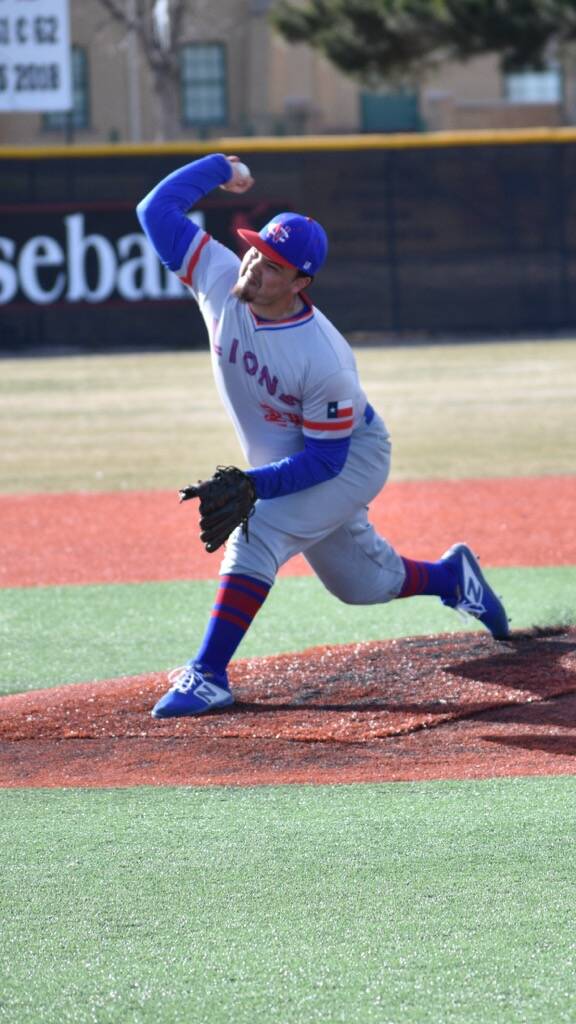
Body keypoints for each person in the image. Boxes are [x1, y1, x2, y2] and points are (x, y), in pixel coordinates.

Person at [136, 153, 509, 719]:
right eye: (255, 250)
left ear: (300, 282)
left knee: (256, 533)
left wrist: (253, 485)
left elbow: (326, 462)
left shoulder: (324, 358)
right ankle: (452, 578)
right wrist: (218, 168)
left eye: (273, 265)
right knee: (362, 582)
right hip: (296, 461)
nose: (254, 267)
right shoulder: (217, 276)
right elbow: (154, 209)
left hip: (351, 458)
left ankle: (208, 675)